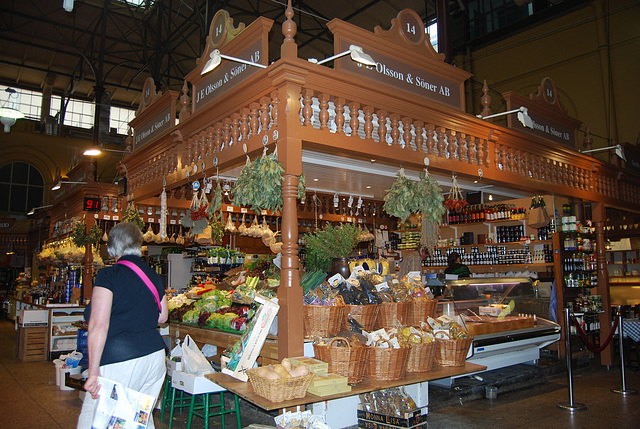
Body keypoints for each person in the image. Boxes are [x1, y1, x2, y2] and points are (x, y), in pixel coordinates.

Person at [77, 222, 168, 429]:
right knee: (137, 420)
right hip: (153, 359)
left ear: (112, 247)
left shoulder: (108, 276)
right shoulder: (152, 275)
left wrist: (92, 373)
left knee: (107, 422)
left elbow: (98, 325)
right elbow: (162, 317)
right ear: (138, 245)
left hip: (121, 361)